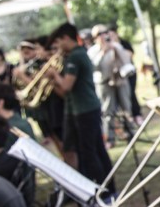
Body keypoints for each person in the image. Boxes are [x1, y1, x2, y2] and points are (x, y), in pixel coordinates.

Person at [46, 22, 114, 190]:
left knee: (89, 152)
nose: (58, 47)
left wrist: (54, 75)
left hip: (85, 110)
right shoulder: (77, 54)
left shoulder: (76, 56)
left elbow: (67, 86)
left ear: (66, 38)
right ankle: (109, 187)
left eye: (59, 42)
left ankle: (101, 189)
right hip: (84, 108)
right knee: (97, 149)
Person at [88, 23, 134, 148]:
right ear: (95, 37)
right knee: (108, 112)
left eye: (105, 32)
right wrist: (103, 52)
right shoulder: (93, 51)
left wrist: (116, 49)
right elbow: (93, 67)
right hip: (104, 83)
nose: (104, 36)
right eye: (100, 34)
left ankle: (132, 133)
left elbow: (126, 62)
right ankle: (110, 138)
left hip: (120, 80)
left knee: (126, 108)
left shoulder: (116, 45)